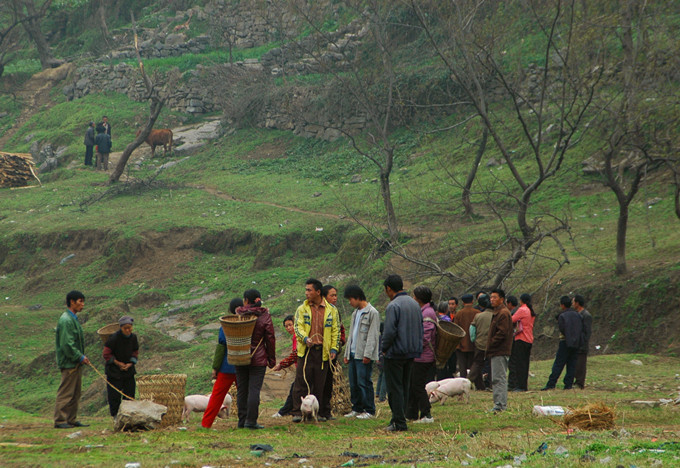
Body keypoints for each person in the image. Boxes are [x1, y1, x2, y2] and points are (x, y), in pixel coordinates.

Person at [290, 278, 340, 423]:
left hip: (322, 352)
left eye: (309, 290)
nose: (306, 293)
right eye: (306, 290)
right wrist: (305, 339)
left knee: (320, 383)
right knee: (301, 382)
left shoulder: (332, 310)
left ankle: (318, 413)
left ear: (318, 292)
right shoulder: (302, 309)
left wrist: (334, 348)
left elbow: (335, 331)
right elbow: (297, 328)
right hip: (306, 351)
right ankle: (297, 412)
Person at [381, 274, 423, 432]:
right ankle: (399, 418)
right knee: (404, 386)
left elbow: (389, 331)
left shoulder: (393, 306)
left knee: (395, 389)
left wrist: (384, 348)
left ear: (389, 289)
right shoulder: (414, 304)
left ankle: (399, 422)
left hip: (395, 353)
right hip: (411, 352)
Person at [234, 289, 276, 429]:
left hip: (240, 356)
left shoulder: (238, 314)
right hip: (258, 358)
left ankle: (242, 421)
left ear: (246, 300)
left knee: (242, 390)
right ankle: (251, 421)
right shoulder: (264, 316)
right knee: (254, 390)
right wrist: (271, 359)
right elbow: (270, 338)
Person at [202, 297, 242, 428]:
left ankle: (206, 423)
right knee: (245, 394)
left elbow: (221, 348)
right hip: (243, 365)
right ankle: (247, 421)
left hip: (227, 366)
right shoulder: (248, 323)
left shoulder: (225, 326)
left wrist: (215, 368)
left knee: (217, 396)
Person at [343, 285, 380, 419]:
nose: (350, 302)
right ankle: (357, 408)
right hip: (353, 353)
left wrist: (368, 354)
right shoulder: (355, 313)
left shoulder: (372, 313)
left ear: (358, 298)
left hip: (362, 354)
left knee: (364, 382)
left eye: (351, 299)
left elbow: (373, 335)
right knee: (353, 383)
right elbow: (351, 335)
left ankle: (369, 409)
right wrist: (347, 353)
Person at [54, 290, 90, 429]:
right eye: (80, 301)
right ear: (72, 302)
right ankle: (60, 419)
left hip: (75, 363)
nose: (83, 304)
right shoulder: (66, 320)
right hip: (69, 363)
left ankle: (71, 418)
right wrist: (79, 356)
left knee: (75, 393)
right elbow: (67, 344)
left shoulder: (72, 318)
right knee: (66, 392)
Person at [406, 285, 437, 424]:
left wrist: (412, 346)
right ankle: (411, 413)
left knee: (418, 385)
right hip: (419, 355)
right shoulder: (424, 311)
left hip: (423, 356)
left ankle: (426, 414)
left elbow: (425, 337)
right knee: (413, 384)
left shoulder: (427, 313)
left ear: (419, 299)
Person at [541, 296, 583, 391]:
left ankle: (551, 383)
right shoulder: (578, 315)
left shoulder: (562, 316)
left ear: (562, 305)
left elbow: (562, 328)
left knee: (558, 364)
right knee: (572, 364)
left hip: (565, 341)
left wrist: (568, 337)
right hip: (576, 342)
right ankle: (568, 384)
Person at [102, 315, 139, 417]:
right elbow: (106, 354)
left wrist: (130, 364)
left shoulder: (133, 337)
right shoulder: (113, 338)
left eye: (129, 328)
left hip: (128, 371)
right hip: (114, 372)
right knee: (114, 397)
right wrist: (118, 363)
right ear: (121, 328)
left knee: (130, 395)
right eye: (125, 328)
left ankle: (129, 417)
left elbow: (135, 352)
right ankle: (115, 417)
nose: (128, 330)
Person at [320, 284, 345, 420]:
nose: (335, 298)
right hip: (319, 352)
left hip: (332, 353)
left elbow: (339, 329)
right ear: (324, 296)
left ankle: (326, 411)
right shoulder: (318, 311)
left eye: (336, 295)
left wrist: (338, 344)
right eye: (332, 295)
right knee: (319, 382)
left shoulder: (335, 311)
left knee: (328, 382)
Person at [487, 289, 513, 413]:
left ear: (502, 299)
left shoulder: (503, 313)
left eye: (495, 297)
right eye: (491, 297)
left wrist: (491, 343)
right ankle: (498, 403)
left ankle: (500, 405)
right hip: (497, 350)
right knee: (496, 378)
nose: (492, 300)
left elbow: (502, 333)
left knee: (499, 378)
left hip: (500, 350)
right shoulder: (498, 312)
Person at [507, 293, 536, 392]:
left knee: (519, 364)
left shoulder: (522, 310)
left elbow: (512, 319)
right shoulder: (530, 311)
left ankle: (520, 386)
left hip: (521, 338)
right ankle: (524, 385)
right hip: (529, 339)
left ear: (521, 301)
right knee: (525, 363)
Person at [271, 315, 297, 418]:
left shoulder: (297, 337)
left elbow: (296, 354)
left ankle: (283, 411)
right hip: (301, 368)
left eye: (290, 325)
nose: (288, 328)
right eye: (286, 326)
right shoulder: (294, 337)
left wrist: (282, 364)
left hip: (304, 368)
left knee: (294, 389)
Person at [468, 294, 493, 391]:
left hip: (479, 344)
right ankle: (491, 385)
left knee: (477, 364)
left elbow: (472, 330)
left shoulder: (478, 316)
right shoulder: (496, 316)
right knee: (492, 365)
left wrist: (474, 340)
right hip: (492, 344)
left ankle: (469, 381)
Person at [454, 293, 479, 380]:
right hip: (474, 344)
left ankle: (462, 381)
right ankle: (473, 381)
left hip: (461, 344)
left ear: (463, 302)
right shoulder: (477, 313)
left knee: (462, 366)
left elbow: (455, 329)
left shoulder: (458, 314)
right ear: (472, 301)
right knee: (473, 364)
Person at [573, 295, 592, 389]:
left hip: (582, 344)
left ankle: (580, 383)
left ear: (577, 303)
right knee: (576, 364)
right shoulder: (577, 314)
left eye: (573, 302)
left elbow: (587, 331)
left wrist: (582, 342)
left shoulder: (586, 315)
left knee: (581, 364)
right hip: (576, 343)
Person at [376, 322, 387, 402]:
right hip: (384, 358)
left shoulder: (379, 338)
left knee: (380, 375)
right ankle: (382, 396)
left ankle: (377, 392)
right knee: (385, 377)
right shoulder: (386, 337)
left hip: (379, 358)